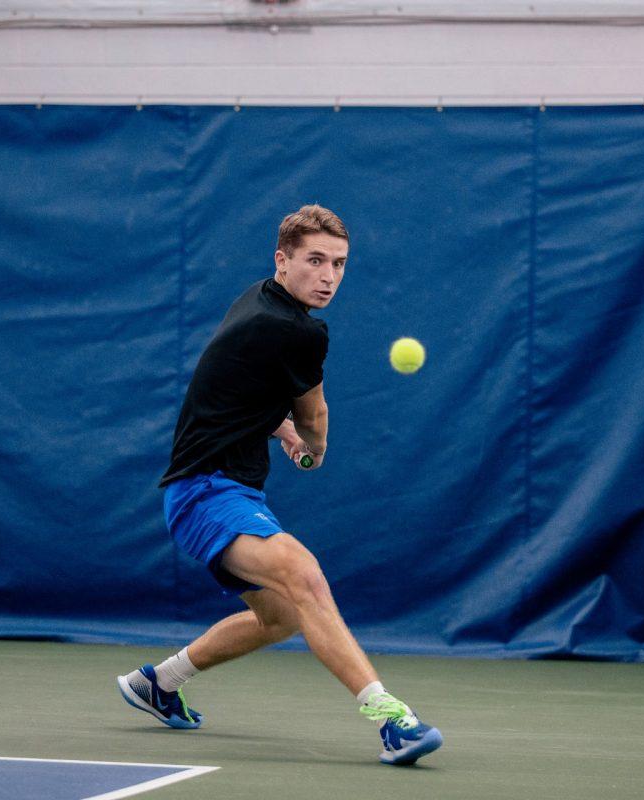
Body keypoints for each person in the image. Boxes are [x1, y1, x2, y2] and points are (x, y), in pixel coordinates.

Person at [116, 204, 442, 766]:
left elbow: (239, 390)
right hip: (205, 492)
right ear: (282, 260)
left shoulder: (259, 301)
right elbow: (316, 415)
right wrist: (311, 447)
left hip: (218, 490)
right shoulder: (295, 330)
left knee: (282, 616)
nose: (329, 276)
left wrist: (280, 429)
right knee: (306, 578)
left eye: (339, 263)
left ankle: (158, 683)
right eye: (315, 261)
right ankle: (394, 719)